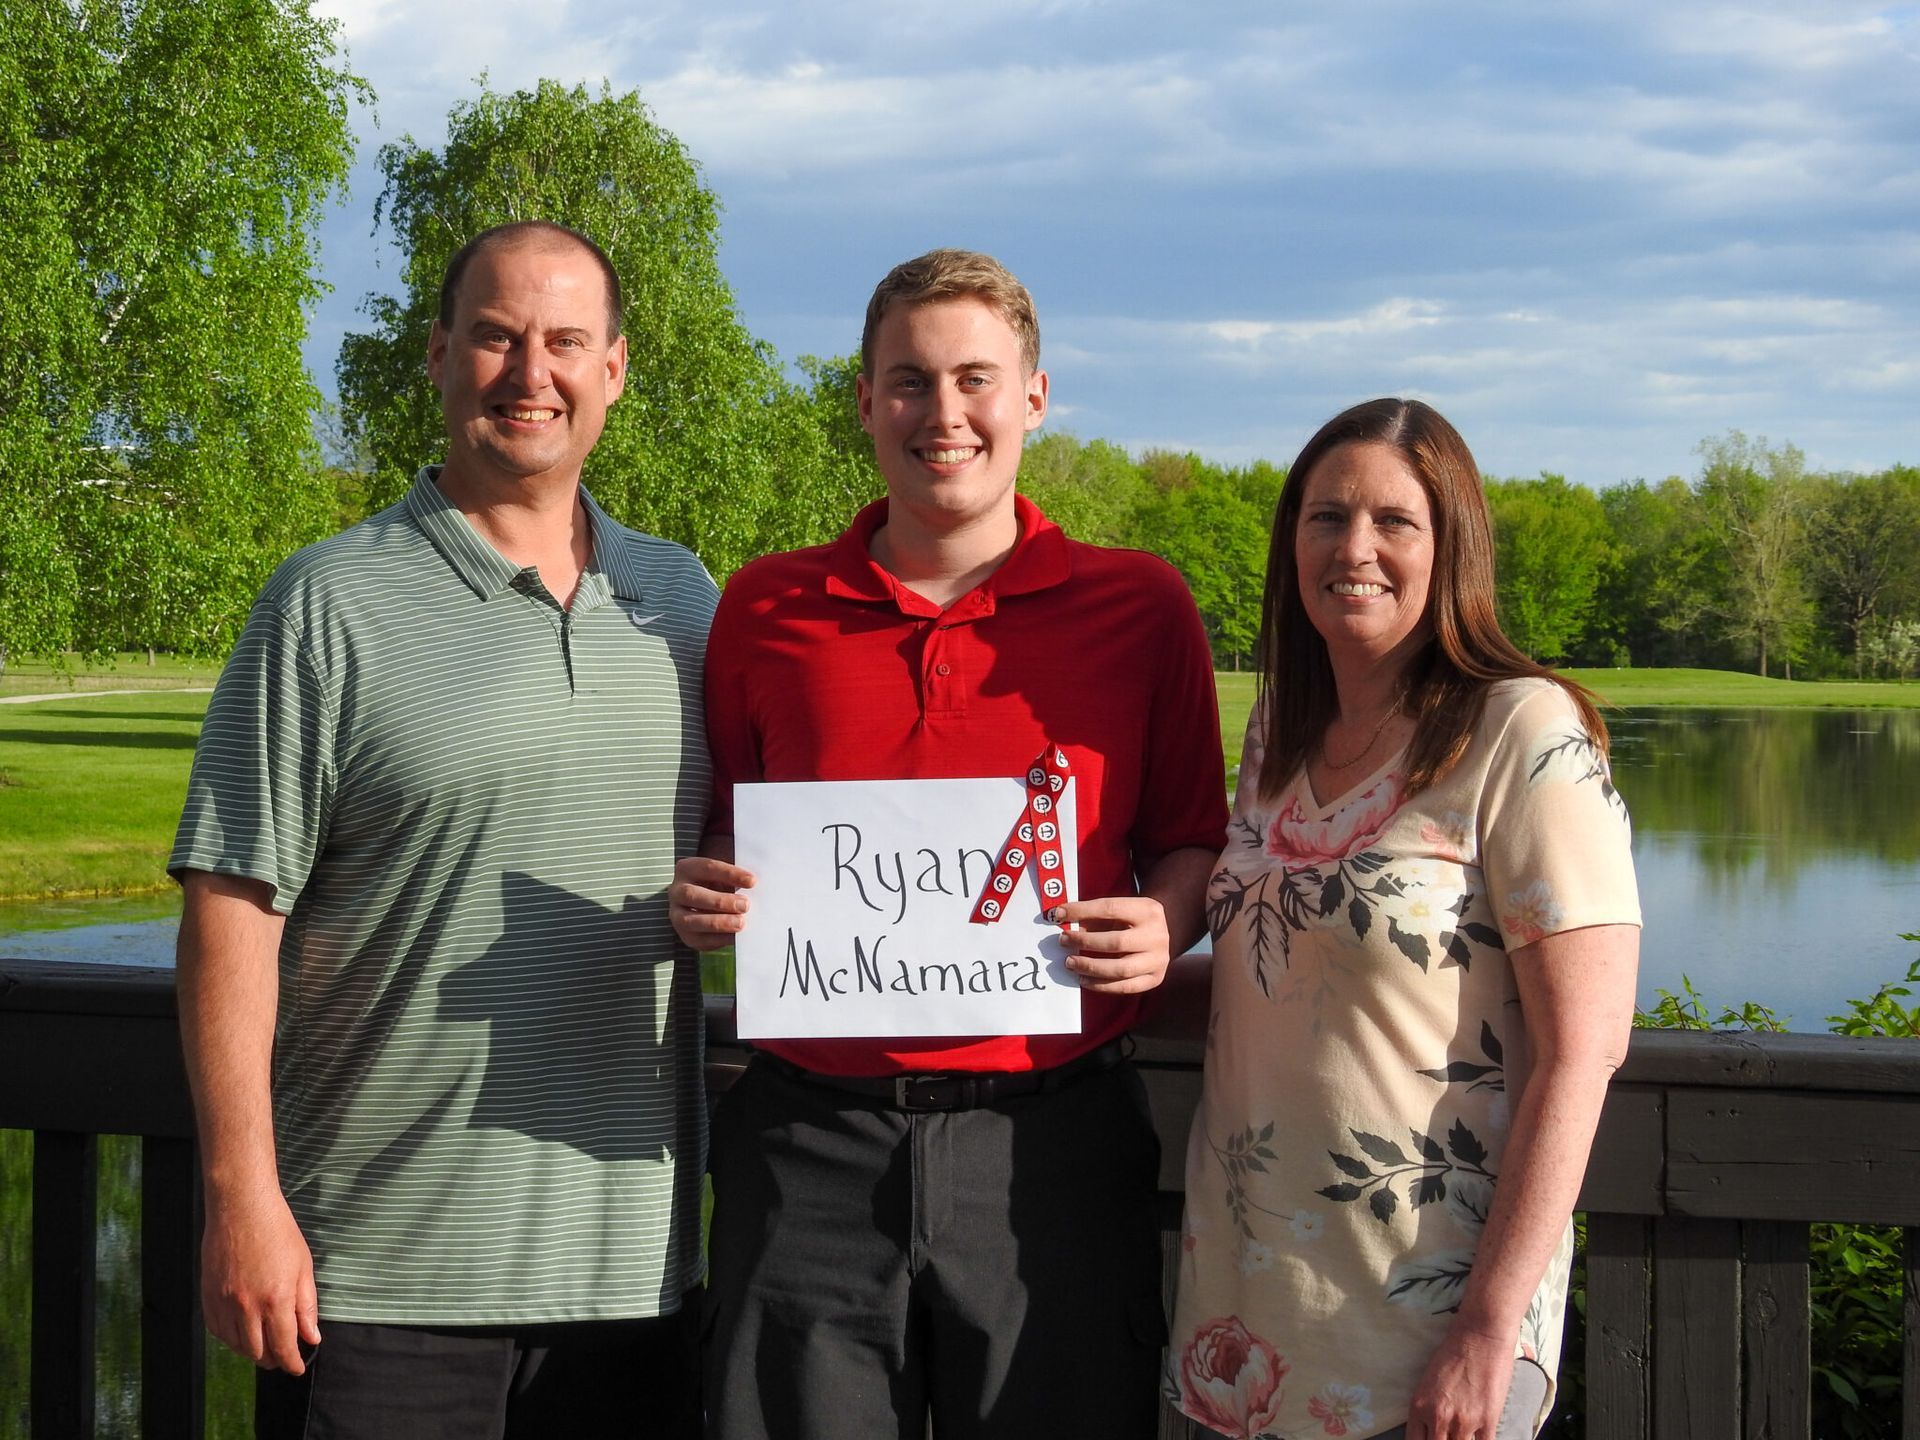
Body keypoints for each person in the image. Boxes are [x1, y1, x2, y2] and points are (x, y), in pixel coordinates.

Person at [669, 248, 1229, 1440]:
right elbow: (730, 829)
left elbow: (1192, 844)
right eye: (909, 381)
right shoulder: (765, 608)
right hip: (809, 1139)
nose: (944, 414)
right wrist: (707, 895)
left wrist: (1167, 922)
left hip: (1054, 1151)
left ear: (1033, 395)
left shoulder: (1142, 607)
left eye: (976, 378)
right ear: (866, 401)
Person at [169, 220, 714, 1438]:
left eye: (567, 341)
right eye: (497, 337)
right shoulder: (329, 601)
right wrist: (239, 1196)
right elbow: (230, 910)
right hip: (374, 1283)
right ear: (438, 355)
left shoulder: (681, 600)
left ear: (614, 369)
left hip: (631, 1282)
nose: (533, 374)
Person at [1169, 399, 1640, 1440]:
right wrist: (1074, 970)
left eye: (1395, 521)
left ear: (1453, 545)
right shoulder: (1277, 743)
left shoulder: (1525, 733)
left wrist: (1487, 1325)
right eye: (1326, 518)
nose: (1356, 548)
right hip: (1250, 1320)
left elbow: (1585, 1050)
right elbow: (1287, 983)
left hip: (1431, 1337)